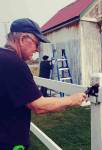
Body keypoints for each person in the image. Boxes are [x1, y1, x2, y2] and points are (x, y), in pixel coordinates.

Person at [0, 18, 87, 150]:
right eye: (37, 43)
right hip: (8, 142)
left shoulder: (3, 57)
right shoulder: (14, 63)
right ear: (23, 39)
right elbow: (39, 106)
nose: (38, 50)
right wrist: (72, 100)